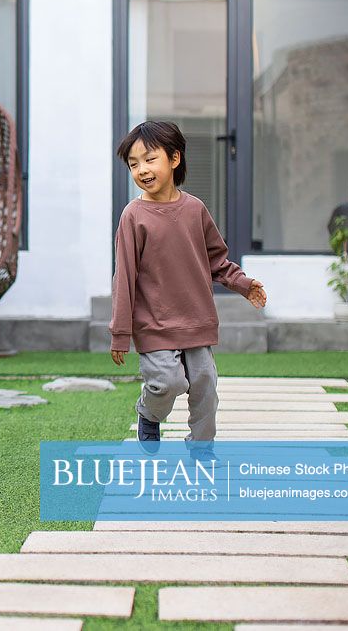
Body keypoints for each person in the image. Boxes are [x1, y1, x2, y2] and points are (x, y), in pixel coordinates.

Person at [109, 120, 267, 450]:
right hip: (153, 323)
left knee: (206, 385)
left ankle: (201, 447)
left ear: (174, 159)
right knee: (167, 383)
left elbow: (216, 259)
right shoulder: (133, 216)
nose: (142, 170)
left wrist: (242, 283)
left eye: (150, 159)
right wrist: (121, 332)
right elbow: (124, 277)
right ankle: (148, 414)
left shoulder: (195, 209)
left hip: (196, 318)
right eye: (134, 164)